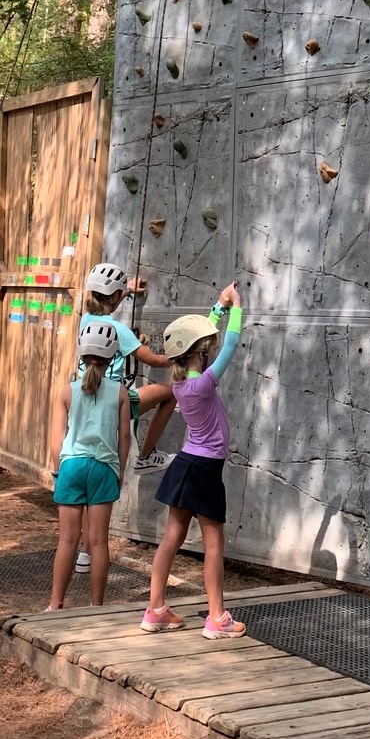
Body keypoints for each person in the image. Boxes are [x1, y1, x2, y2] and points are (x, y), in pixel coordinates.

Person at [141, 283, 246, 640]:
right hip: (204, 470)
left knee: (172, 537)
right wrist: (238, 310)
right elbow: (229, 346)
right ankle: (217, 617)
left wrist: (217, 306)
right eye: (205, 350)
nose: (209, 352)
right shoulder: (202, 384)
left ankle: (155, 609)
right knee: (214, 545)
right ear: (198, 354)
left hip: (185, 465)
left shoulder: (182, 381)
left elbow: (194, 338)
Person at [74, 261, 176, 574]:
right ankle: (146, 455)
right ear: (117, 297)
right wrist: (185, 349)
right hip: (116, 398)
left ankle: (83, 554)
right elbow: (157, 361)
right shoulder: (118, 330)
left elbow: (101, 299)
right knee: (170, 393)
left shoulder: (85, 319)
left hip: (87, 399)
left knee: (88, 489)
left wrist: (125, 289)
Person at [48, 320, 131, 610]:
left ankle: (55, 603)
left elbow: (57, 439)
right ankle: (97, 605)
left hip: (71, 467)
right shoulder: (120, 392)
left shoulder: (67, 391)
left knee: (67, 541)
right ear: (112, 358)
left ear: (81, 354)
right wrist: (119, 470)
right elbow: (123, 438)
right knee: (98, 543)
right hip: (103, 468)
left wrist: (57, 471)